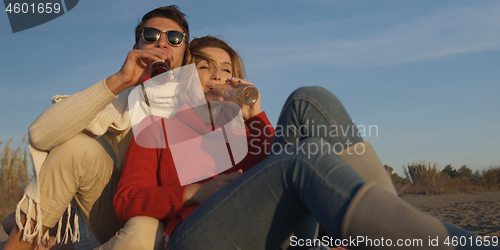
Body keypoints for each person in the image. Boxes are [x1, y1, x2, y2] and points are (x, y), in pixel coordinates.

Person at [115, 36, 498, 250]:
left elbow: (272, 176)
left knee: (308, 99)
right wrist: (196, 191)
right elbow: (126, 198)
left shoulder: (245, 130)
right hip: (196, 236)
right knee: (300, 159)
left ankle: (382, 237)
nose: (217, 76)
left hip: (271, 234)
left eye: (227, 70)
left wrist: (256, 116)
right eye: (204, 67)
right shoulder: (160, 129)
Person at [1, 5, 190, 250]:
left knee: (146, 230)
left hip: (174, 215)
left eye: (174, 39)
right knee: (78, 148)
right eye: (151, 35)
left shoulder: (197, 104)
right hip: (118, 213)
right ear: (136, 49)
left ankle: (50, 237)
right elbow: (39, 135)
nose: (162, 43)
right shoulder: (119, 102)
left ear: (186, 55)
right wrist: (120, 80)